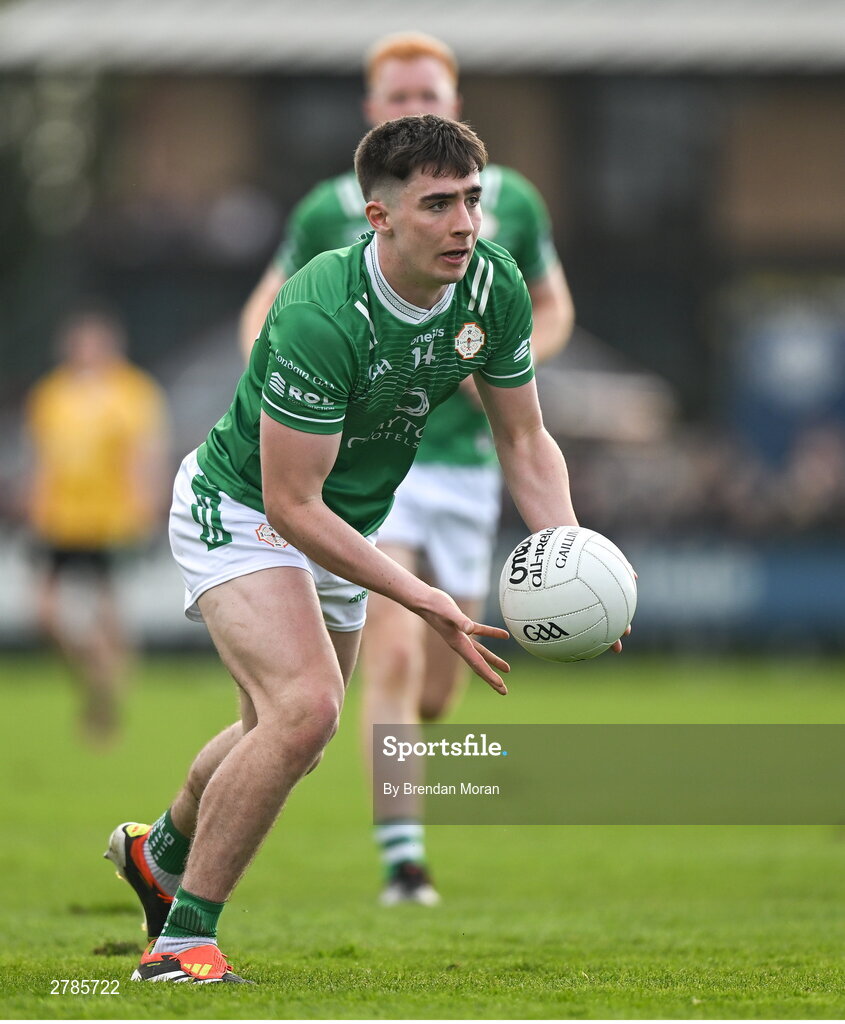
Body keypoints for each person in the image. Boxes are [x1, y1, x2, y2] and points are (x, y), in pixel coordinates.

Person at [106, 114, 613, 985]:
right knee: (307, 709)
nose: (464, 224)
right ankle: (182, 942)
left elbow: (525, 440)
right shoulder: (319, 311)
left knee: (280, 732)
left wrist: (568, 551)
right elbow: (291, 503)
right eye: (437, 205)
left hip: (342, 521)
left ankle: (160, 853)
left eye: (472, 202)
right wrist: (421, 599)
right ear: (378, 218)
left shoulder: (492, 284)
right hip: (241, 509)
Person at [239, 32, 575, 905]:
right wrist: (280, 399)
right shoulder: (330, 211)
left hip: (466, 463)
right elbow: (266, 315)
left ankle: (276, 743)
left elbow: (552, 311)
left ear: (457, 101)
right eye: (396, 98)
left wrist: (491, 365)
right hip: (370, 468)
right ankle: (404, 862)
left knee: (434, 690)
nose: (412, 108)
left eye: (427, 93)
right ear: (370, 114)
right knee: (386, 649)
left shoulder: (510, 214)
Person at [23, 306, 169, 744]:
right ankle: (97, 681)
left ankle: (107, 702)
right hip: (61, 519)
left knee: (109, 611)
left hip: (111, 519)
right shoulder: (51, 394)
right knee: (46, 613)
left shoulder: (133, 392)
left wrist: (147, 507)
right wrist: (35, 507)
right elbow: (42, 460)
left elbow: (145, 456)